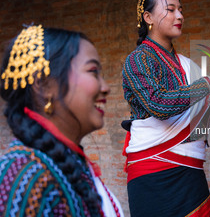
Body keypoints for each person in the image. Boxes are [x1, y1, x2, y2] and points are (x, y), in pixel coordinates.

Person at [0, 25, 124, 216]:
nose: (105, 87)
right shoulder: (24, 176)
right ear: (44, 84)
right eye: (93, 71)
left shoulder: (68, 166)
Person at [122, 0, 210, 216]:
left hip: (191, 172)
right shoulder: (137, 59)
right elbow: (159, 104)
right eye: (171, 10)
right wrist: (208, 84)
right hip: (153, 173)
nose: (180, 16)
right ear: (148, 17)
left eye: (181, 10)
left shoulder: (186, 64)